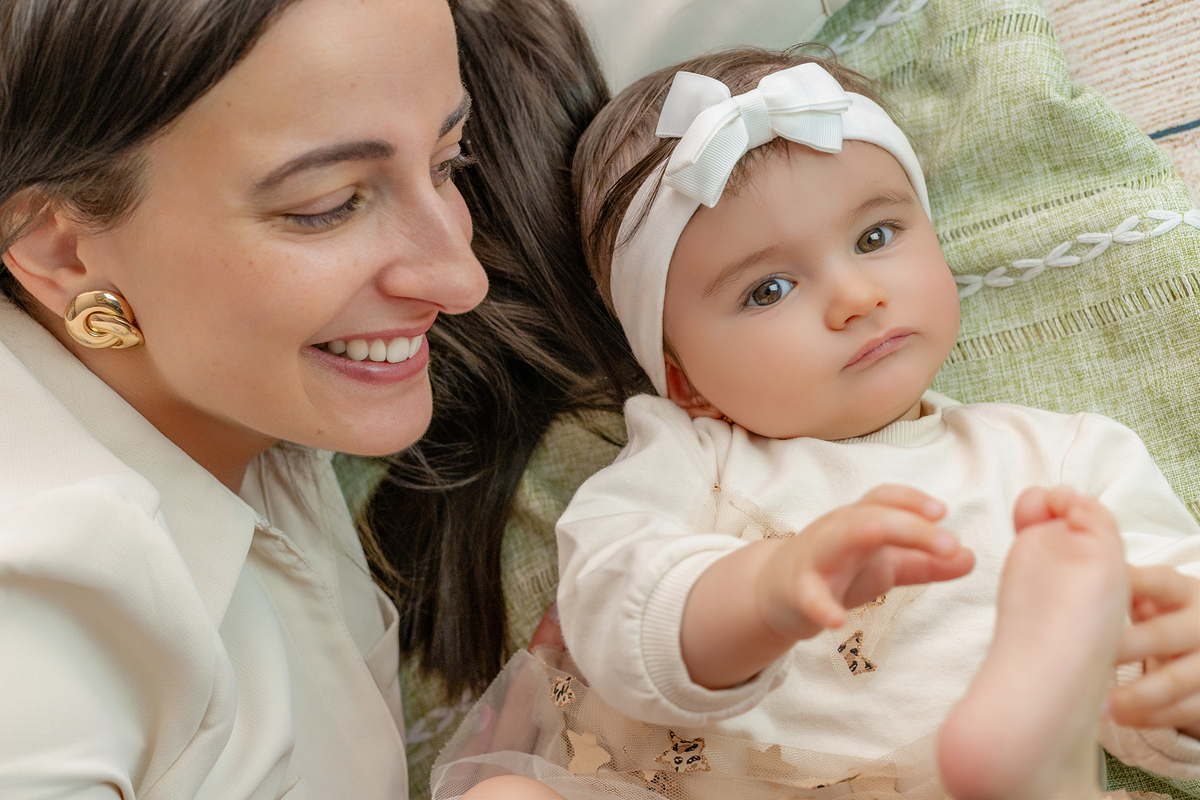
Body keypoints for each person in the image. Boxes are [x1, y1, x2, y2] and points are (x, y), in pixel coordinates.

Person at [432, 48, 1200, 800]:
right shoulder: (688, 459)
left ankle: (1035, 761)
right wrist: (765, 595)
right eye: (769, 289)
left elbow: (1162, 624)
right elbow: (610, 609)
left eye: (875, 237)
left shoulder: (1058, 461)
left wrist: (1174, 684)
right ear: (683, 381)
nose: (856, 297)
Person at [0, 0, 601, 795]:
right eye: (329, 205)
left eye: (450, 163)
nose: (462, 280)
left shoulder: (234, 401)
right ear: (62, 250)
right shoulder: (37, 626)